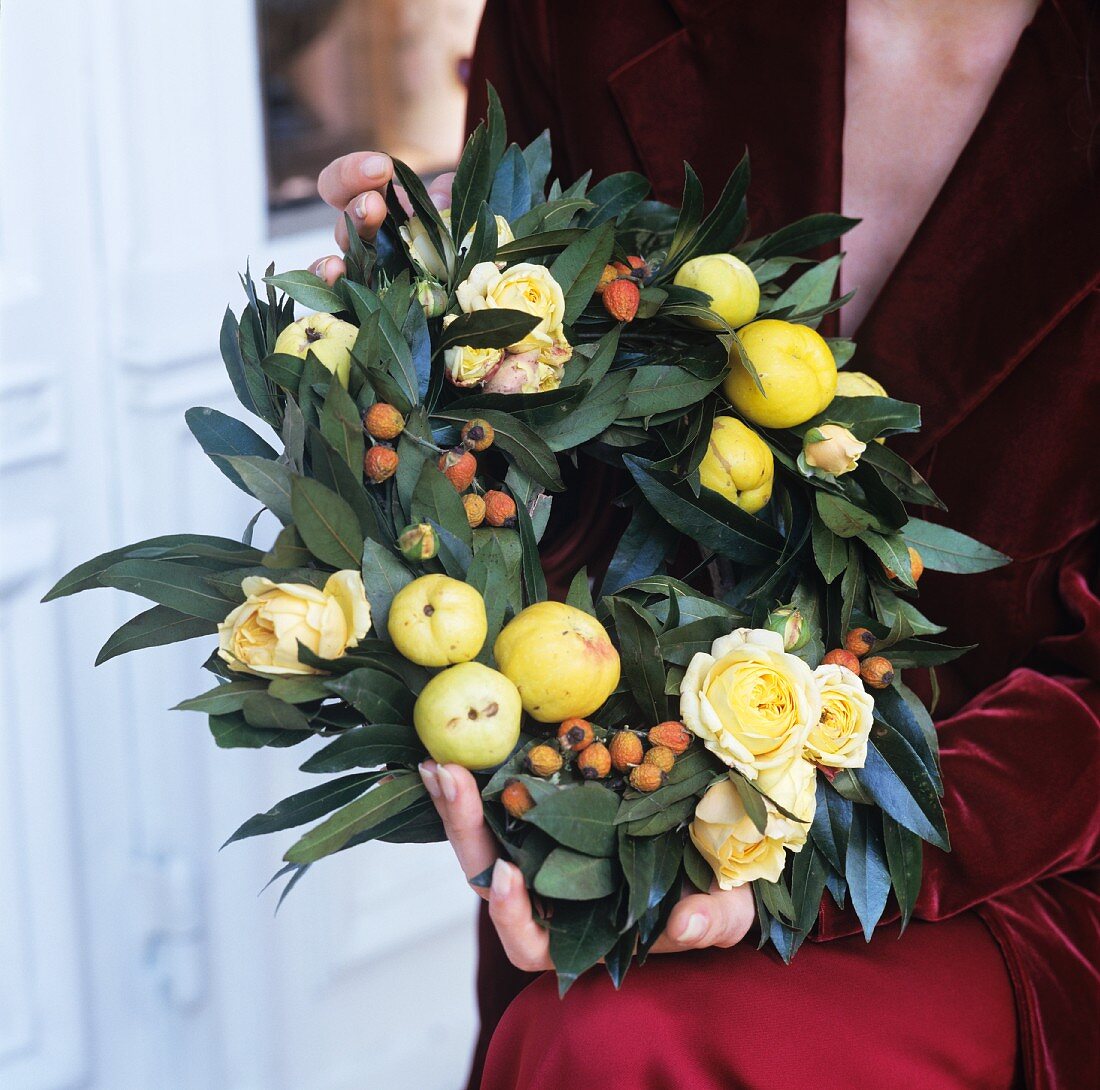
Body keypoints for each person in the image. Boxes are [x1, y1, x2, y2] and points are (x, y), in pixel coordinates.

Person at [310, 1, 1100, 1087]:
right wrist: (434, 350)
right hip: (636, 802)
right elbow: (560, 518)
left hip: (1039, 859)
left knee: (616, 1045)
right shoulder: (575, 19)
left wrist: (786, 854)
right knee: (590, 1034)